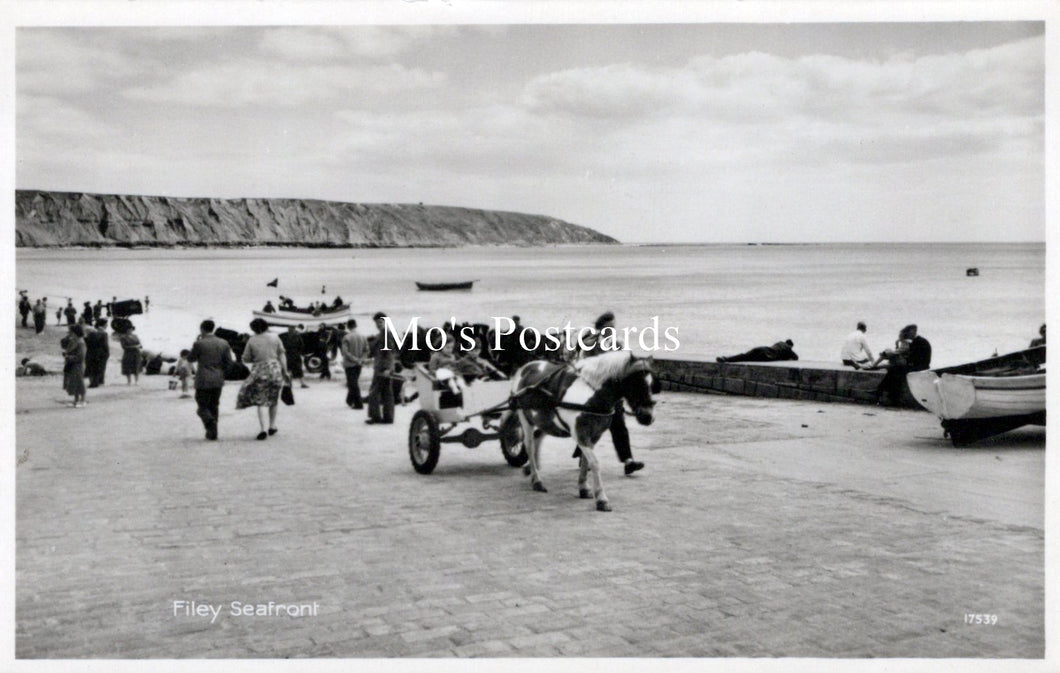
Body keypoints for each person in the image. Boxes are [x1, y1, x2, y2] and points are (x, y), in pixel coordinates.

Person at [575, 311, 645, 476]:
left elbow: (625, 366)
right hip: (593, 392)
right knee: (587, 425)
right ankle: (582, 454)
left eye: (613, 328)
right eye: (608, 328)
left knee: (618, 424)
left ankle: (628, 461)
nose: (611, 331)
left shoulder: (618, 344)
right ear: (600, 329)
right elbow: (585, 367)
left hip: (613, 394)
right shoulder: (589, 344)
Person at [236, 318, 290, 440]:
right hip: (275, 369)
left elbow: (246, 358)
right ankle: (272, 426)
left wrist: (256, 359)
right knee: (273, 398)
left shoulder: (251, 339)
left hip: (259, 370)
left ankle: (263, 429)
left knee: (260, 401)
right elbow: (282, 355)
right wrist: (285, 371)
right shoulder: (275, 337)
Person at [188, 319, 234, 441]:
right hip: (218, 377)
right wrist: (223, 374)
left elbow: (190, 358)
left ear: (202, 329)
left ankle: (209, 422)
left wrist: (197, 342)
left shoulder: (199, 344)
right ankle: (213, 432)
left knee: (202, 405)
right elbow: (229, 363)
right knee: (214, 405)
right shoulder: (224, 343)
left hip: (203, 378)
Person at [875, 324, 931, 406]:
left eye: (908, 333)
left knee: (896, 372)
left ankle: (883, 392)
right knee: (895, 371)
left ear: (912, 332)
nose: (907, 335)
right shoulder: (919, 341)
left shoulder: (918, 342)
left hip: (920, 367)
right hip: (920, 366)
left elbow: (912, 359)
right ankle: (886, 393)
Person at [366, 312, 396, 424]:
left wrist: (388, 368)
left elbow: (389, 352)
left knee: (374, 392)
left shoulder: (386, 334)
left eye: (380, 322)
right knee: (387, 392)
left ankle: (375, 417)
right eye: (376, 323)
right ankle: (388, 418)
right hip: (383, 367)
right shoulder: (382, 334)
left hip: (382, 368)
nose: (378, 324)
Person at [340, 319, 369, 409]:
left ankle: (358, 404)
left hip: (349, 364)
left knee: (352, 383)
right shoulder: (363, 337)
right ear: (356, 325)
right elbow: (367, 350)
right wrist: (361, 359)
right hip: (359, 364)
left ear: (348, 327)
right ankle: (349, 400)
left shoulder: (346, 337)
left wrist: (355, 359)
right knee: (354, 382)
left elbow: (345, 352)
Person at [61, 324, 87, 408]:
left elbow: (81, 356)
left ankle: (83, 400)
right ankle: (76, 400)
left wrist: (69, 357)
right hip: (72, 364)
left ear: (75, 332)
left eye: (71, 332)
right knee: (74, 382)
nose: (70, 333)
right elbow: (63, 344)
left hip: (77, 364)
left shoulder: (80, 342)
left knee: (79, 382)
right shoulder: (75, 340)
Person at [717, 339, 798, 363]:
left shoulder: (779, 343)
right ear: (790, 346)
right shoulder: (788, 348)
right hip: (766, 355)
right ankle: (727, 360)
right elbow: (796, 357)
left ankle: (726, 359)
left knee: (744, 356)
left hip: (762, 348)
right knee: (747, 359)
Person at [279, 324, 309, 389]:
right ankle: (302, 383)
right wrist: (300, 352)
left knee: (288, 369)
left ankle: (289, 383)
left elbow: (280, 345)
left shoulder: (283, 336)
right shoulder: (297, 336)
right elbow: (301, 345)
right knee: (298, 369)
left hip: (288, 355)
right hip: (295, 355)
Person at [83, 319, 111, 388]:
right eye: (106, 324)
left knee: (92, 367)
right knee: (100, 367)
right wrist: (107, 353)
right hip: (101, 352)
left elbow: (87, 342)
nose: (107, 325)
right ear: (103, 325)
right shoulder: (104, 333)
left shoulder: (91, 332)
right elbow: (105, 345)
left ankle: (94, 382)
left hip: (91, 352)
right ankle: (99, 381)